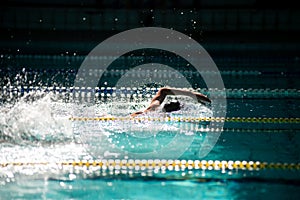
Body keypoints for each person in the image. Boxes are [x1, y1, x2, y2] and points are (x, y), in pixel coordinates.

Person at [130, 87, 211, 117]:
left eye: (170, 103)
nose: (169, 102)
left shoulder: (154, 109)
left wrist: (191, 94)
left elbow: (164, 91)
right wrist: (190, 94)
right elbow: (164, 90)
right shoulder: (155, 107)